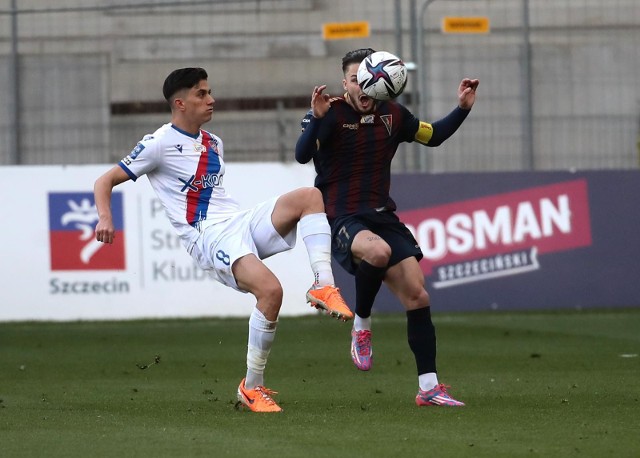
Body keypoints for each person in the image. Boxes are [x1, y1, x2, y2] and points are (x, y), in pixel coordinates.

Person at [94, 67, 353, 413]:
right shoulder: (158, 144)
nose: (211, 99)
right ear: (180, 103)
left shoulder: (214, 143)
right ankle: (251, 387)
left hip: (237, 221)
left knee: (309, 196)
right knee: (271, 292)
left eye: (209, 91)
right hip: (208, 235)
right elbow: (105, 180)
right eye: (202, 94)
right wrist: (106, 217)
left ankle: (323, 285)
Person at [295, 48, 478, 407]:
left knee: (418, 295)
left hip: (381, 215)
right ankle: (361, 325)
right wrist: (316, 120)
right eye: (354, 79)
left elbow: (433, 136)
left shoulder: (394, 115)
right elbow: (302, 155)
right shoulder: (328, 113)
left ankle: (429, 388)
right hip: (342, 217)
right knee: (377, 251)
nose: (363, 86)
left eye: (368, 79)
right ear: (345, 82)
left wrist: (462, 108)